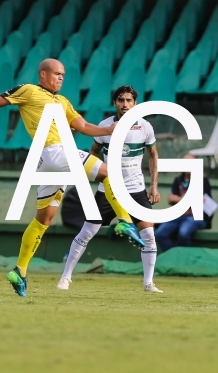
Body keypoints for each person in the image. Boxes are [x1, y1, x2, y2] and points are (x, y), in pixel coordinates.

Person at [0, 58, 143, 297]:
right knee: (109, 173)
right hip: (55, 151)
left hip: (47, 163)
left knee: (44, 219)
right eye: (56, 73)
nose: (61, 77)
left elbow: (82, 125)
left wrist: (106, 130)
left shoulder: (62, 101)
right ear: (43, 74)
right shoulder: (29, 90)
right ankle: (124, 221)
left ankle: (19, 270)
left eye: (63, 74)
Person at [57, 85, 164, 293]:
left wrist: (154, 185)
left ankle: (148, 283)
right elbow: (93, 153)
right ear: (115, 103)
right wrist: (93, 175)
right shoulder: (105, 127)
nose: (125, 104)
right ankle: (65, 277)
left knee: (149, 234)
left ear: (135, 103)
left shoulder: (145, 127)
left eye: (129, 100)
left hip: (135, 190)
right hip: (108, 190)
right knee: (88, 231)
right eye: (121, 100)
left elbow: (153, 154)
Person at [154, 154, 213, 251]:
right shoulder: (178, 180)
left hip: (195, 217)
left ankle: (184, 260)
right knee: (159, 234)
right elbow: (170, 199)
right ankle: (173, 257)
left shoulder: (203, 180)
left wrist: (179, 198)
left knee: (183, 233)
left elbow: (200, 201)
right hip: (178, 215)